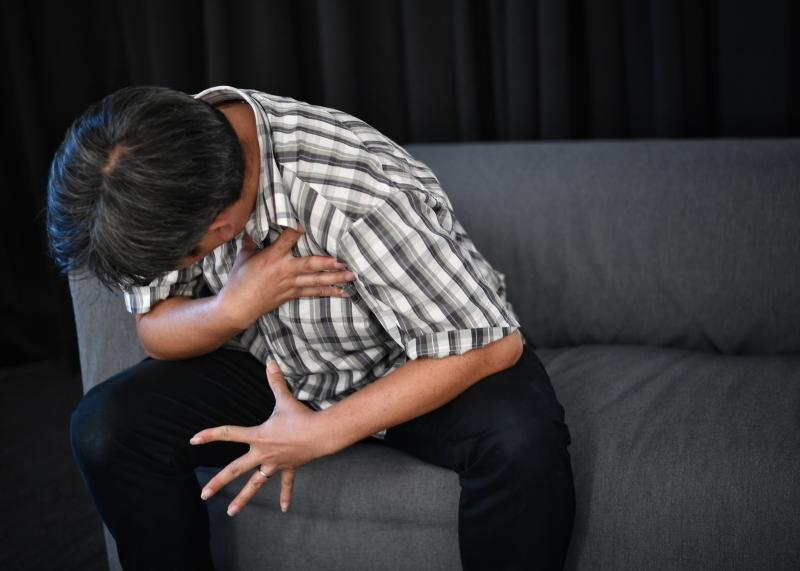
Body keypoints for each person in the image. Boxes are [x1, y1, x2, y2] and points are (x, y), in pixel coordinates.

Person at [48, 84, 576, 570]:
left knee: (519, 441)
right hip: (274, 366)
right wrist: (232, 307)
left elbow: (492, 344)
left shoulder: (353, 192)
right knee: (103, 428)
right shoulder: (149, 177)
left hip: (416, 362)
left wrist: (319, 434)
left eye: (182, 260)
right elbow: (154, 332)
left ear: (221, 228)